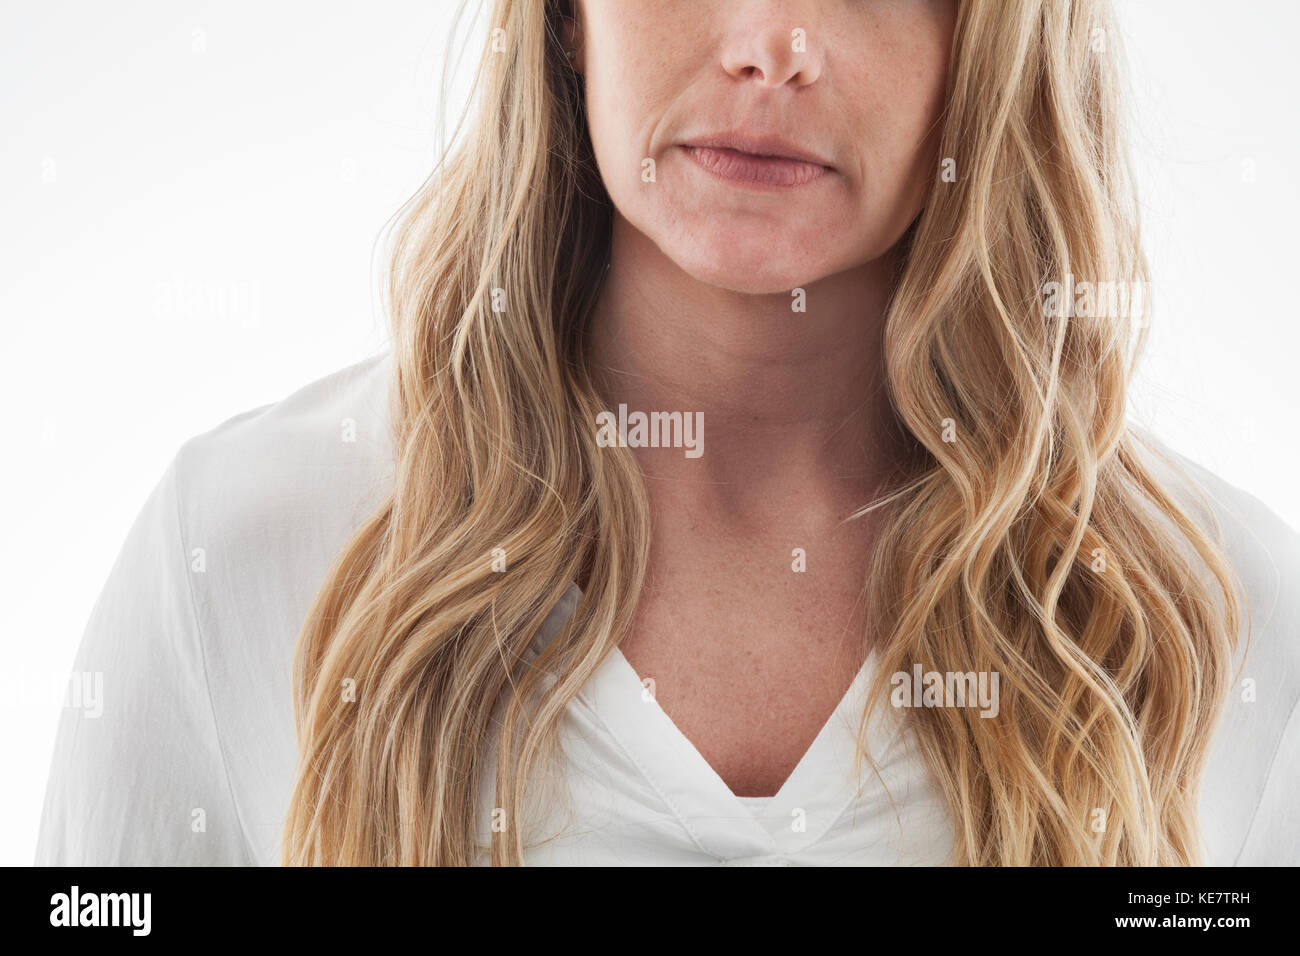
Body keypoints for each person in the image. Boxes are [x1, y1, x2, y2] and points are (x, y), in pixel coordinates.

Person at [37, 0, 1300, 866]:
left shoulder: (1222, 623)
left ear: (994, 42)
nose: (769, 44)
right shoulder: (242, 550)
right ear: (568, 15)